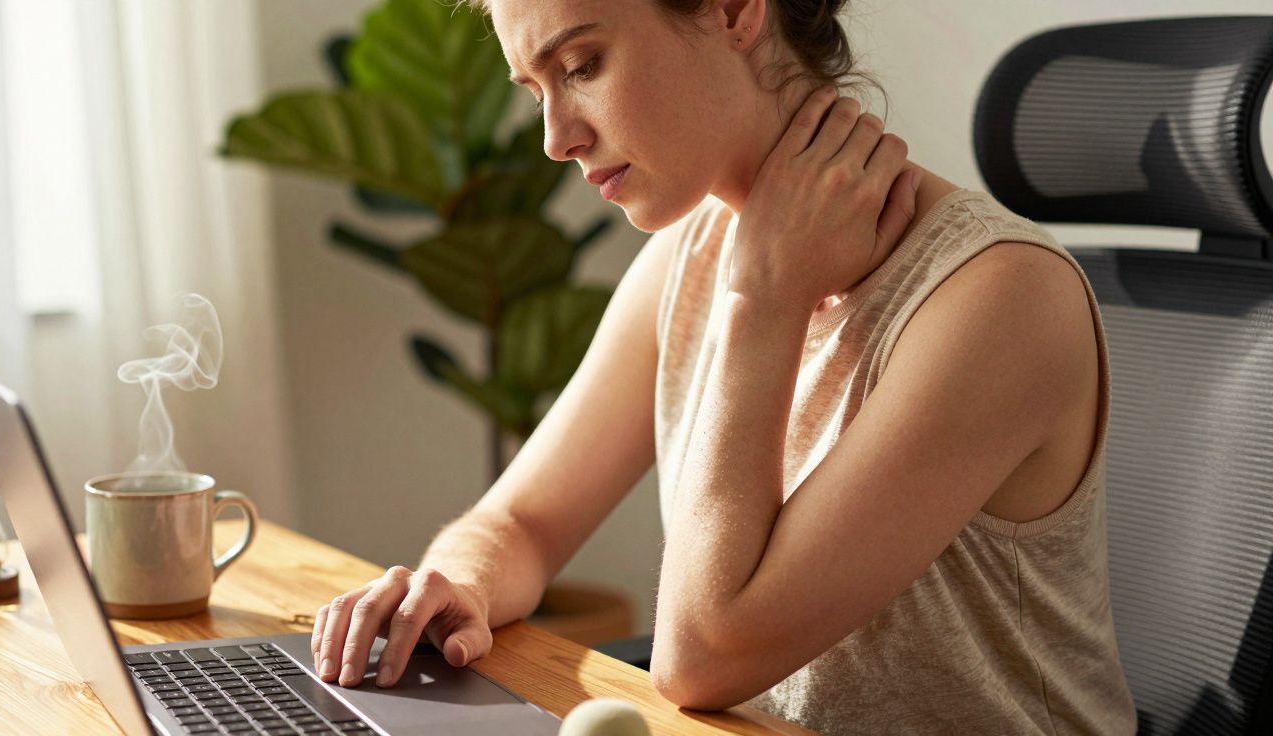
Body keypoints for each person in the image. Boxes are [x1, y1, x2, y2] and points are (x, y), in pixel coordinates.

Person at [311, 1, 1138, 733]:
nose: (556, 138)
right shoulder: (691, 246)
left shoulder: (1003, 296)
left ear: (737, 10)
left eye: (582, 67)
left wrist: (763, 298)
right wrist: (456, 588)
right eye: (536, 91)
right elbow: (520, 523)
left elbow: (703, 658)